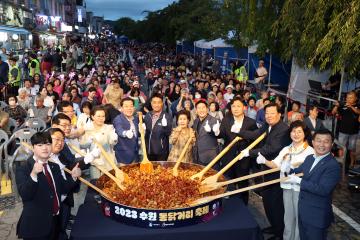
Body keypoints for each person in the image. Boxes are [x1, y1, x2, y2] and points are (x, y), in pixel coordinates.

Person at [15, 131, 81, 240]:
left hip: (55, 222)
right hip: (36, 227)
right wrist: (34, 174)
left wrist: (74, 176)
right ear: (33, 147)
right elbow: (25, 194)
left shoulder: (54, 166)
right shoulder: (24, 168)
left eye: (48, 144)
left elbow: (63, 188)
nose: (45, 148)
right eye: (40, 145)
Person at [239, 103, 291, 240]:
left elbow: (272, 148)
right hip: (266, 169)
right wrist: (240, 131)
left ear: (279, 114)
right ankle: (274, 226)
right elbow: (256, 134)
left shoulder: (283, 129)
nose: (269, 116)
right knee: (267, 200)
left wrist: (249, 152)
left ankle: (279, 232)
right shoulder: (268, 126)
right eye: (267, 113)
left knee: (275, 202)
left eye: (272, 113)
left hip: (276, 170)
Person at [256, 121, 314, 240]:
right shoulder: (286, 149)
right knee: (288, 217)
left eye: (299, 132)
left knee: (299, 218)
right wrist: (264, 160)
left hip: (301, 190)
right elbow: (276, 165)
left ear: (305, 134)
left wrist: (293, 168)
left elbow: (310, 172)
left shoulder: (310, 151)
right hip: (287, 187)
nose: (296, 134)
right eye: (293, 131)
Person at [289, 129, 341, 240]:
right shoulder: (309, 158)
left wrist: (300, 181)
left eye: (326, 141)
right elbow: (299, 171)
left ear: (331, 144)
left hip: (317, 217)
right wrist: (288, 169)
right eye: (318, 140)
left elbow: (323, 189)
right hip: (303, 211)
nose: (322, 144)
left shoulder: (333, 165)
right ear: (313, 142)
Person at [219, 97, 257, 204]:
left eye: (238, 106)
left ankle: (244, 206)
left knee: (243, 184)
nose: (235, 109)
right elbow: (221, 134)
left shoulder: (251, 123)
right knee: (228, 183)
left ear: (244, 108)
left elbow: (254, 138)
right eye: (233, 106)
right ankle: (229, 206)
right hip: (228, 157)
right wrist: (216, 131)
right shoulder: (226, 120)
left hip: (243, 159)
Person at [81, 105, 118, 179]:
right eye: (98, 116)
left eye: (103, 116)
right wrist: (89, 142)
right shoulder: (87, 128)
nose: (101, 119)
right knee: (96, 182)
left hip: (108, 160)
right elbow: (82, 145)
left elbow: (112, 143)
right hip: (94, 161)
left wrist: (114, 138)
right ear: (92, 116)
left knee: (109, 183)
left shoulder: (109, 127)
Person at [332, 91, 360, 168]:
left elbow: (358, 112)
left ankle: (351, 163)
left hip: (353, 132)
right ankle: (341, 162)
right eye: (347, 97)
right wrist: (336, 106)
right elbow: (333, 112)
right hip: (343, 131)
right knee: (341, 147)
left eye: (351, 97)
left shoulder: (358, 105)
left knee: (352, 149)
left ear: (355, 98)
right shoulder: (343, 105)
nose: (348, 99)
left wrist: (350, 106)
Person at [144, 93, 173, 161]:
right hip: (148, 150)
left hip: (161, 152)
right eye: (154, 102)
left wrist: (165, 126)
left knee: (161, 170)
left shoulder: (167, 116)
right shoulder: (148, 115)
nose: (156, 105)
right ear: (151, 103)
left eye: (159, 102)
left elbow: (168, 133)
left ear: (162, 104)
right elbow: (146, 133)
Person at [192, 100, 221, 166]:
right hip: (197, 156)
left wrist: (212, 131)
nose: (201, 110)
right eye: (199, 108)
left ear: (207, 109)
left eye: (203, 107)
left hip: (210, 156)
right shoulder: (196, 121)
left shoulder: (214, 120)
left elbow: (218, 134)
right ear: (196, 111)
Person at [113, 98, 140, 164]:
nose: (129, 108)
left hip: (135, 155)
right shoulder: (118, 119)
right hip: (123, 156)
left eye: (131, 106)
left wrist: (142, 130)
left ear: (134, 108)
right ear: (121, 108)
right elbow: (119, 130)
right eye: (126, 106)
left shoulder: (136, 119)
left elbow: (136, 135)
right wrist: (125, 133)